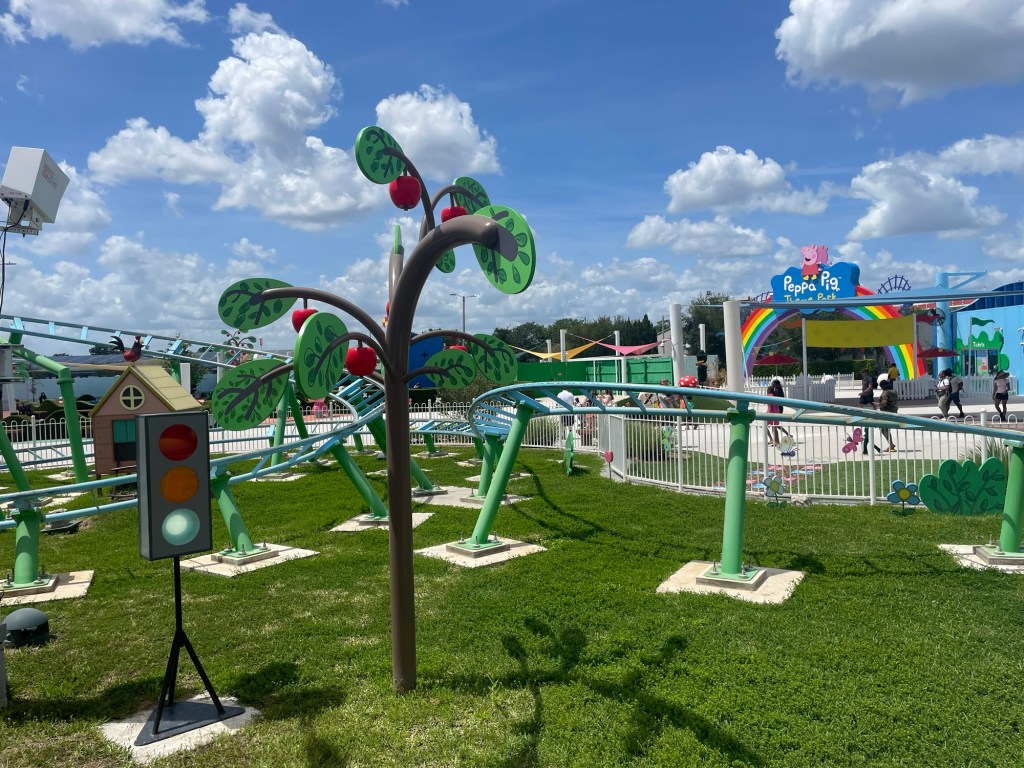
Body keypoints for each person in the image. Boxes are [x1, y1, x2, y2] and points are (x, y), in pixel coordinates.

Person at [766, 379, 791, 446]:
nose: (772, 384)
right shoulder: (779, 389)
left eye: (773, 383)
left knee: (774, 426)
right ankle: (777, 439)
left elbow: (771, 406)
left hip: (774, 411)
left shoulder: (775, 391)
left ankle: (774, 440)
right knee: (775, 426)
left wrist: (768, 413)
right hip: (778, 409)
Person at [877, 378, 898, 451]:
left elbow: (884, 403)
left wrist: (877, 405)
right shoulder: (894, 391)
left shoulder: (885, 392)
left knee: (883, 429)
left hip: (887, 412)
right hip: (894, 411)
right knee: (886, 429)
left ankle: (891, 444)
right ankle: (891, 444)